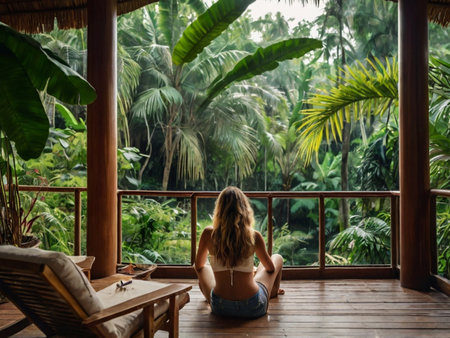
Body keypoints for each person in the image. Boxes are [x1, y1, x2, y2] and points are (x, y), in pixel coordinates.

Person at [194, 186, 284, 319]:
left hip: (220, 307)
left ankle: (216, 289)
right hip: (253, 307)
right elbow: (270, 269)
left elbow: (198, 266)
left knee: (201, 266)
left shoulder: (209, 234)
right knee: (276, 258)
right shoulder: (254, 236)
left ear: (219, 209)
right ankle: (273, 291)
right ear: (244, 210)